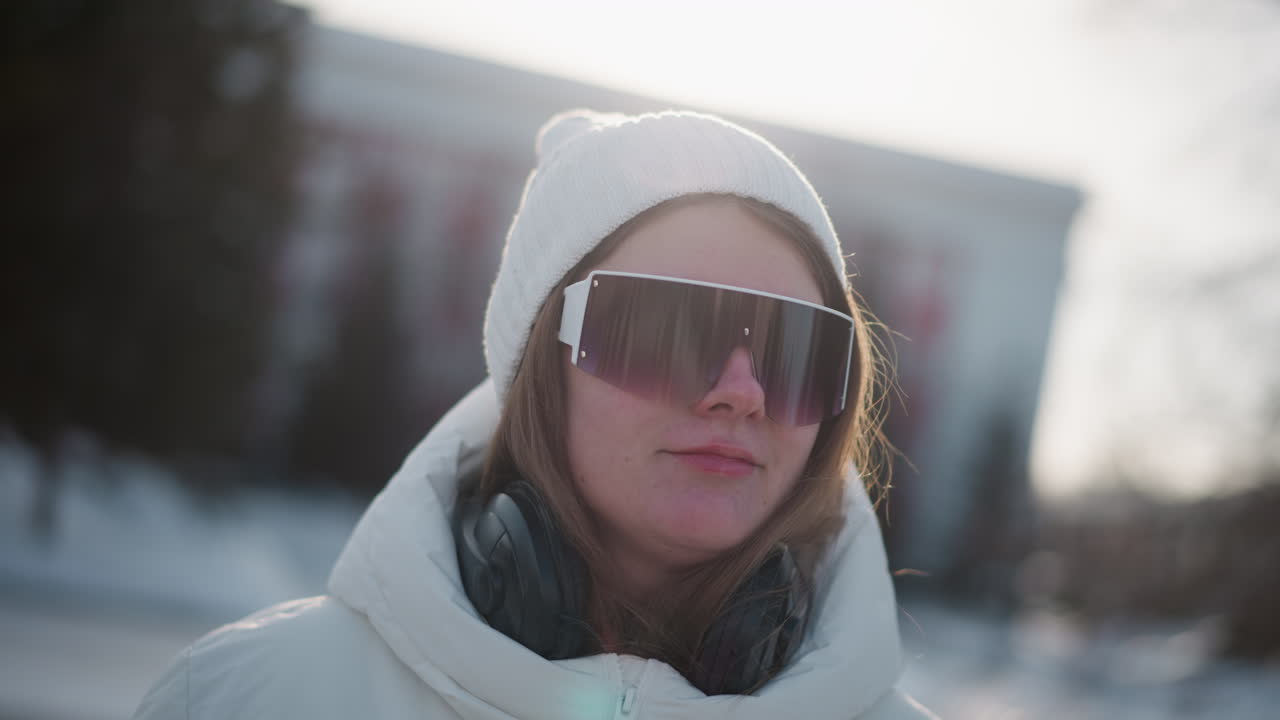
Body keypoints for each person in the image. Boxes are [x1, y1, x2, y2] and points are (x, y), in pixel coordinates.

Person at [134, 110, 935, 719]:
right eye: (666, 332)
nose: (742, 392)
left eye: (799, 354)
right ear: (538, 364)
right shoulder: (248, 696)